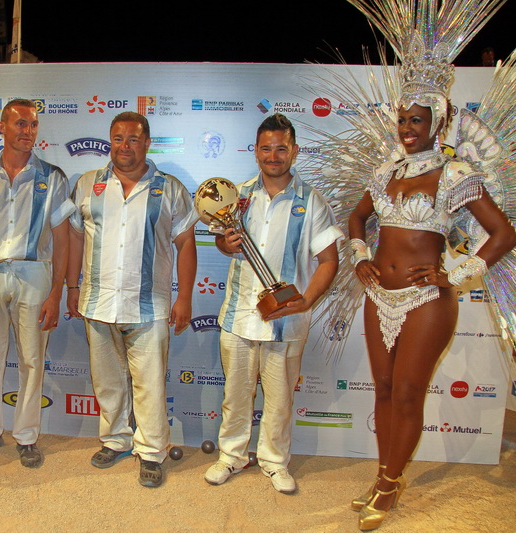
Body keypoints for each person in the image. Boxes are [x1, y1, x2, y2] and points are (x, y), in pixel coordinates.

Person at [341, 1, 516, 529]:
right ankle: (383, 475)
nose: (406, 129)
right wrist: (361, 258)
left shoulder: (456, 174)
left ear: (437, 122)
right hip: (379, 296)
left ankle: (389, 486)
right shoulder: (385, 172)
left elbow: (504, 234)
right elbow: (356, 218)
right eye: (401, 119)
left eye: (416, 120)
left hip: (427, 300)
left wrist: (455, 273)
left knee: (409, 392)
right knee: (384, 389)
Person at [203, 113, 341, 494]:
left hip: (286, 320)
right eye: (266, 148)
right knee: (235, 395)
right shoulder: (237, 196)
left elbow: (329, 260)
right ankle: (231, 456)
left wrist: (306, 301)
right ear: (256, 151)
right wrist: (225, 243)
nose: (273, 156)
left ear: (294, 151)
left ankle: (275, 461)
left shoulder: (312, 201)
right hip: (239, 316)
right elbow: (221, 241)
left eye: (281, 149)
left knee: (279, 400)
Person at [67, 111, 198, 488]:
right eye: (118, 138)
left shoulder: (170, 188)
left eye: (134, 139)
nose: (125, 146)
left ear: (147, 143)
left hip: (149, 306)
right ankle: (115, 439)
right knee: (107, 381)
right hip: (97, 302)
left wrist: (185, 297)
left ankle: (152, 451)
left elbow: (186, 242)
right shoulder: (87, 184)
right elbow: (75, 237)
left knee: (150, 384)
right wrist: (71, 287)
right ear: (110, 141)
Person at [0, 98, 74, 467]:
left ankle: (26, 436)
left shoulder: (52, 177)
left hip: (34, 272)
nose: (27, 131)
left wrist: (56, 293)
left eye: (33, 124)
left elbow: (63, 240)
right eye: (20, 123)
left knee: (32, 359)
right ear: (2, 127)